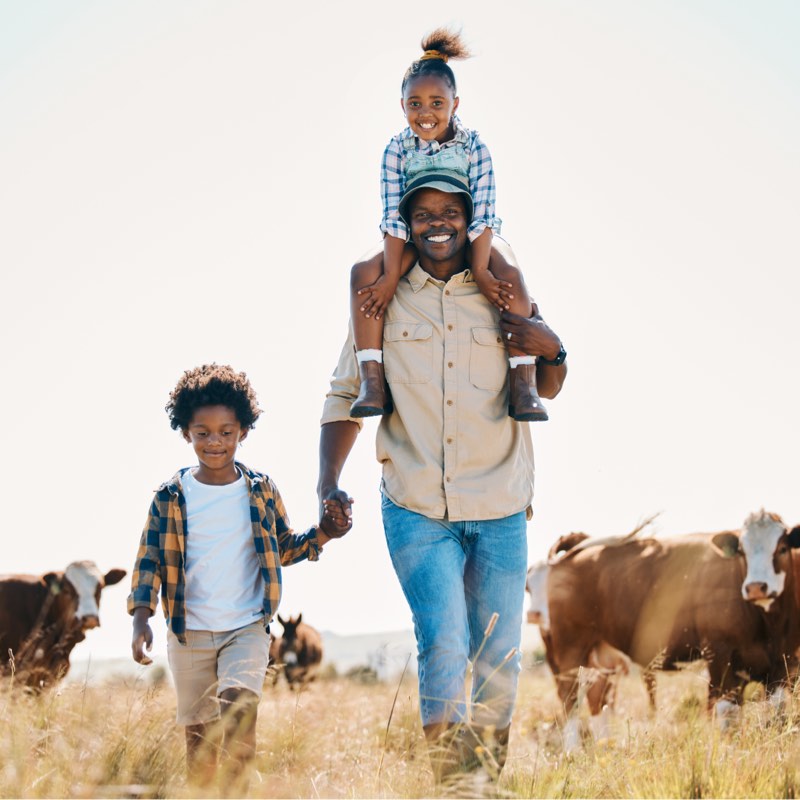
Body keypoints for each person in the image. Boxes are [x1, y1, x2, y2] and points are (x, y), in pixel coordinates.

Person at [319, 171, 567, 788]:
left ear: (470, 217)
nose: (437, 222)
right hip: (415, 503)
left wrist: (555, 349)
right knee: (445, 639)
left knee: (499, 656)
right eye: (423, 212)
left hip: (501, 501)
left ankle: (484, 781)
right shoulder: (380, 300)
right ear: (404, 223)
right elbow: (345, 391)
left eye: (450, 211)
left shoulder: (502, 287)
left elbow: (544, 383)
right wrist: (327, 483)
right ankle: (449, 786)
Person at [128, 364, 350, 792]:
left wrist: (326, 532)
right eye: (203, 433)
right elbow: (149, 559)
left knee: (240, 715)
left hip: (246, 628)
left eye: (226, 432)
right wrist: (141, 617)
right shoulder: (169, 497)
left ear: (243, 431)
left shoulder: (261, 490)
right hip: (187, 632)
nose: (215, 442)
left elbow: (284, 546)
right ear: (185, 433)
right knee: (199, 745)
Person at [349, 27, 548, 423]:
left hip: (472, 231)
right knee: (363, 273)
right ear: (402, 105)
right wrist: (389, 277)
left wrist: (480, 269)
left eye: (437, 103)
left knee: (510, 273)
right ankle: (372, 377)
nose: (426, 114)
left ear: (455, 104)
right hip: (413, 234)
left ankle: (522, 381)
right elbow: (393, 216)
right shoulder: (396, 149)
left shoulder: (475, 147)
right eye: (415, 104)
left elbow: (485, 214)